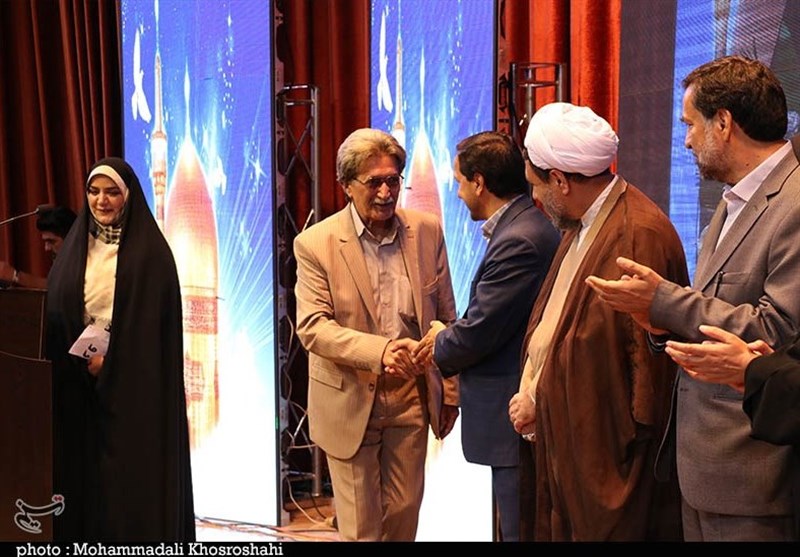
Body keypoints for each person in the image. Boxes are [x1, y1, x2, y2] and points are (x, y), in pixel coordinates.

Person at [586, 55, 800, 541]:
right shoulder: (732, 200)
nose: (685, 140)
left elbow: (779, 334)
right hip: (705, 470)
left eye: (690, 124)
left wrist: (665, 301)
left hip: (754, 477)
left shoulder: (793, 203)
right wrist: (660, 324)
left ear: (723, 123)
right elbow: (719, 312)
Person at [510, 102, 688, 541]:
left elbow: (641, 386)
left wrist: (542, 402)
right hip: (570, 450)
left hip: (610, 470)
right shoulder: (585, 223)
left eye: (536, 185)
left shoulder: (637, 235)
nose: (535, 199)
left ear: (560, 180)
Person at [293, 128, 459, 541]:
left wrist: (450, 394)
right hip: (348, 395)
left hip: (411, 396)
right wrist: (381, 351)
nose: (386, 192)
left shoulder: (427, 231)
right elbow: (313, 327)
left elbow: (447, 319)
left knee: (403, 517)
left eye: (393, 180)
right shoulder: (315, 243)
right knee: (362, 530)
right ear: (347, 185)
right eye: (374, 183)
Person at [412, 131, 560, 541]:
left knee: (517, 530)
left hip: (513, 414)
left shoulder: (520, 240)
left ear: (479, 182)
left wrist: (439, 340)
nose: (457, 193)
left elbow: (481, 330)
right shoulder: (521, 226)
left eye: (459, 182)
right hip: (510, 414)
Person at [46, 157, 195, 541]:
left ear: (128, 196)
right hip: (78, 387)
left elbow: (154, 333)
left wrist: (111, 363)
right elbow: (57, 310)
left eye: (112, 192)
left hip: (134, 393)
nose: (102, 200)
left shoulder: (152, 255)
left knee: (128, 488)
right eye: (94, 192)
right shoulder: (76, 247)